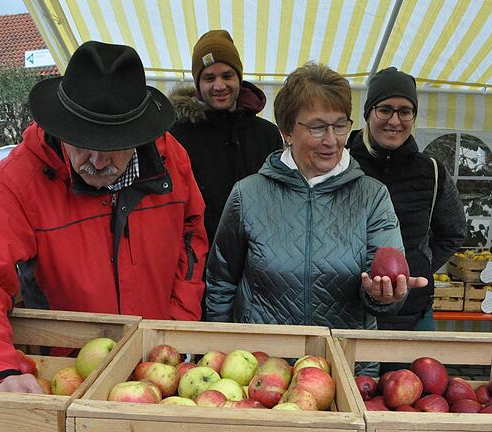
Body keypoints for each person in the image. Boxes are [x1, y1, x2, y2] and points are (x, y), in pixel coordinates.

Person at [0, 42, 208, 393]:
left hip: (157, 366)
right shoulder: (20, 179)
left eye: (112, 146)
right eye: (81, 143)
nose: (95, 161)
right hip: (67, 371)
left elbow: (191, 241)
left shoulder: (172, 160)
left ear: (139, 136)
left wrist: (176, 328)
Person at [205, 63, 428, 330]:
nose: (331, 140)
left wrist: (384, 296)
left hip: (343, 361)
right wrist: (220, 343)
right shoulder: (248, 194)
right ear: (287, 130)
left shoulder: (372, 197)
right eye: (318, 127)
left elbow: (382, 288)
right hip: (260, 361)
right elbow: (221, 281)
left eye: (340, 125)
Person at [347, 67, 466, 331]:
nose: (395, 120)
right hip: (348, 309)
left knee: (413, 374)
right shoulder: (341, 163)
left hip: (412, 313)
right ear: (368, 113)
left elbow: (454, 231)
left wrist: (418, 263)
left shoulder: (432, 171)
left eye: (405, 111)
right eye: (385, 109)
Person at [169, 30, 282, 246]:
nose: (219, 86)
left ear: (239, 77)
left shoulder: (267, 134)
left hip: (258, 261)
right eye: (209, 78)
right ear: (198, 85)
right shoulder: (178, 136)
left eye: (227, 76)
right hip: (202, 261)